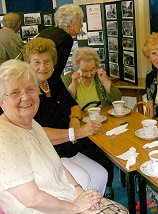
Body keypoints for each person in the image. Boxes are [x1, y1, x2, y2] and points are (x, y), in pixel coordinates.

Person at [0, 59, 135, 214]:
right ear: (1, 100)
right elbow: (32, 199)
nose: (25, 97)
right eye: (15, 92)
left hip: (62, 200)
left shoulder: (31, 124)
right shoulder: (5, 140)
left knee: (121, 211)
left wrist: (78, 191)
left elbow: (56, 162)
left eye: (30, 89)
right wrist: (75, 207)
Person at [23, 37, 112, 197]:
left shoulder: (53, 82)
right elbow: (38, 133)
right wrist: (75, 133)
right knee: (83, 180)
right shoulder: (27, 92)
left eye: (47, 61)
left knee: (101, 175)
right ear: (28, 63)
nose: (43, 67)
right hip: (47, 153)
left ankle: (92, 211)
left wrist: (74, 123)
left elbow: (74, 106)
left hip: (68, 146)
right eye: (37, 62)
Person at [38, 4, 83, 87]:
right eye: (80, 21)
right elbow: (55, 73)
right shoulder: (65, 39)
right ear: (70, 23)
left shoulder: (48, 31)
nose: (82, 25)